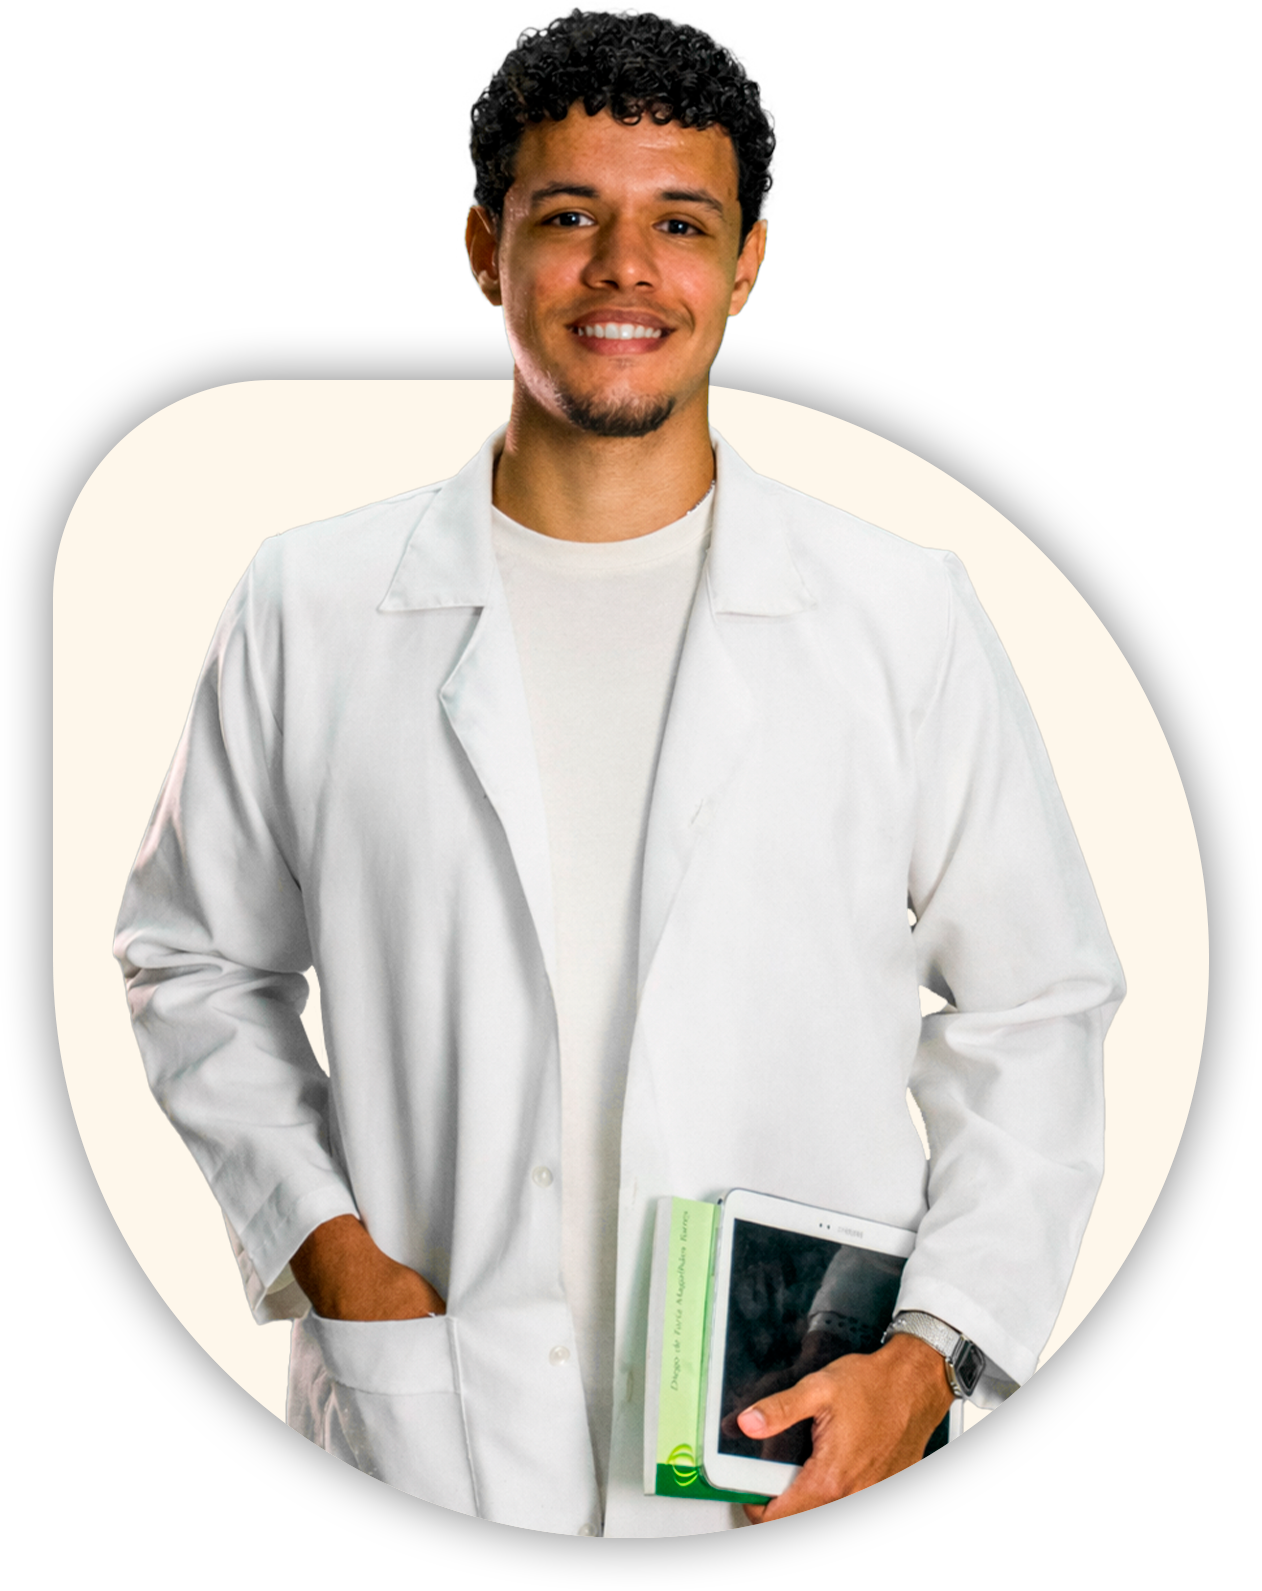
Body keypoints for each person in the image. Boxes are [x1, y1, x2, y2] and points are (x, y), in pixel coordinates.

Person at [112, 7, 1118, 1536]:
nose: (624, 271)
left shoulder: (897, 611)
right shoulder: (308, 602)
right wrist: (328, 1249)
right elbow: (190, 958)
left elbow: (1037, 1001)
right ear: (481, 242)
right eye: (570, 216)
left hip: (785, 1451)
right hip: (429, 1422)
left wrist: (929, 1356)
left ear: (751, 262)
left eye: (681, 224)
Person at [132, 0, 1011, 321]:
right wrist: (306, 291)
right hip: (469, 341)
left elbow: (981, 20)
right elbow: (218, 19)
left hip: (831, 318)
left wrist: (980, 292)